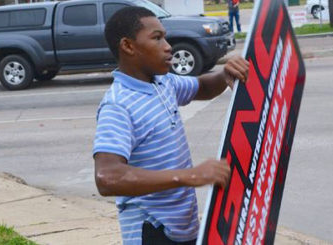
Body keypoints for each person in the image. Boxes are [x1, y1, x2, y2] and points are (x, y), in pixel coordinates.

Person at [93, 6, 249, 245]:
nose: (168, 46)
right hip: (151, 232)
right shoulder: (118, 105)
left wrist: (225, 74)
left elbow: (203, 87)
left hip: (182, 230)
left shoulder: (162, 83)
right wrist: (189, 175)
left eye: (164, 36)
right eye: (157, 38)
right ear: (128, 46)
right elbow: (108, 177)